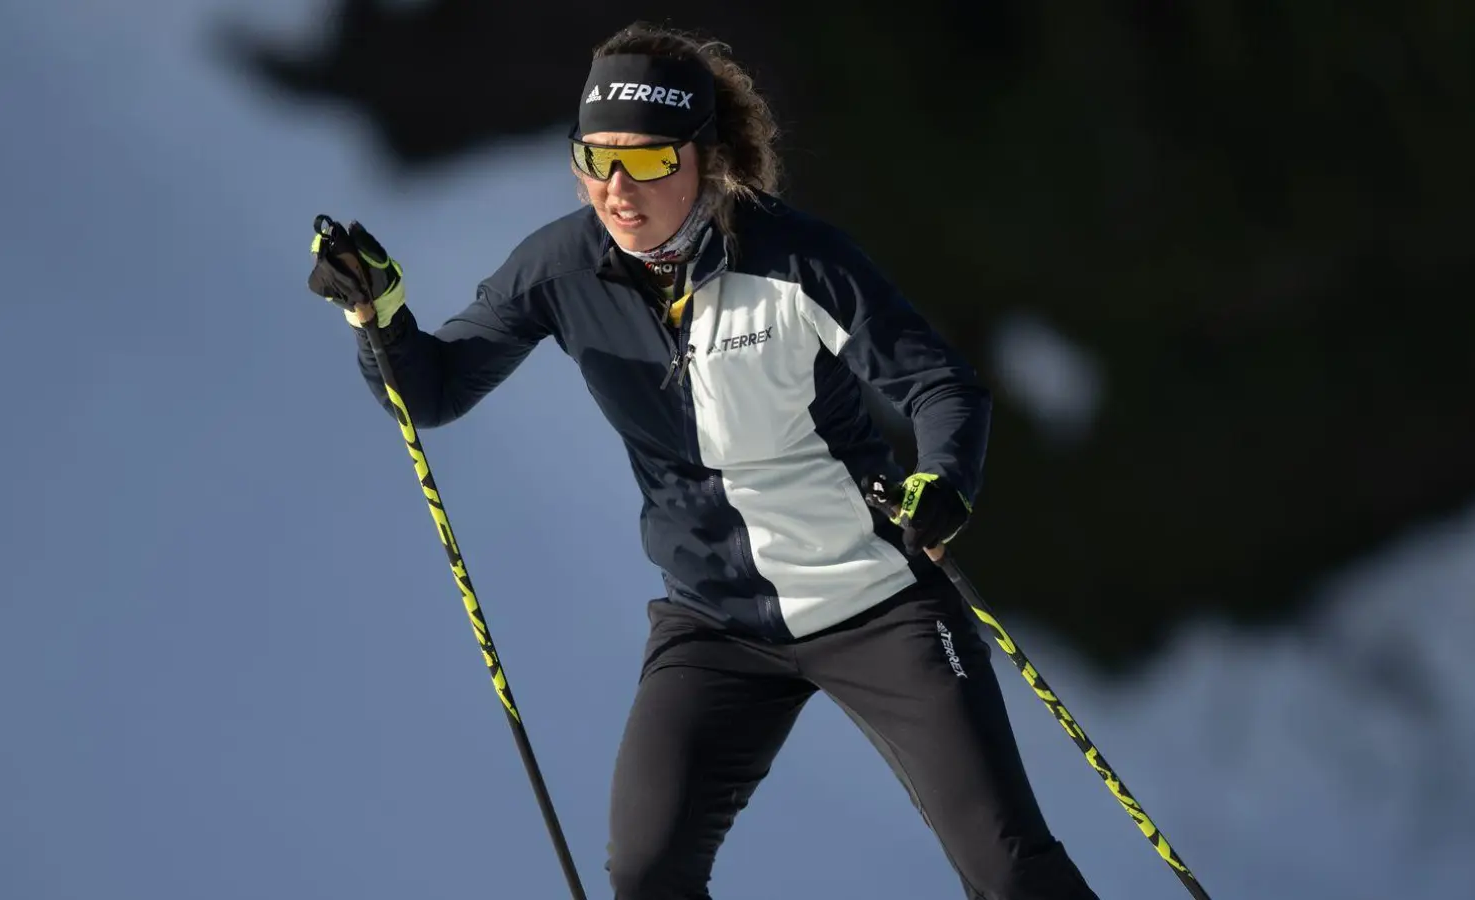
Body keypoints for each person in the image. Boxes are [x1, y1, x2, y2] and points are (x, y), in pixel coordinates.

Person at [307, 21, 1099, 900]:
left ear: (705, 157)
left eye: (645, 162)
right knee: (647, 874)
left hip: (875, 604)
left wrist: (943, 481)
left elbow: (940, 386)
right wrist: (380, 316)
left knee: (1008, 866)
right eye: (594, 158)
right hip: (715, 625)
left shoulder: (798, 261)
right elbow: (433, 393)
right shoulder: (559, 268)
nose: (615, 188)